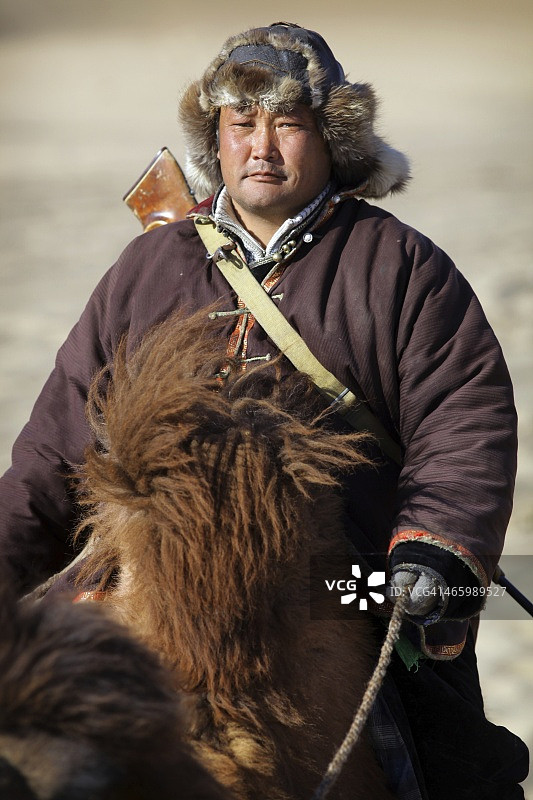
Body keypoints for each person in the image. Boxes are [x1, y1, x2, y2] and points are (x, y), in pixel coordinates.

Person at [0, 21, 528, 799]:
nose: (261, 147)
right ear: (216, 138)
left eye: (287, 124)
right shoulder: (148, 267)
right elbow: (52, 453)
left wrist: (438, 548)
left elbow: (464, 421)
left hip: (339, 570)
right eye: (241, 125)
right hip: (144, 567)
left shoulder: (400, 267)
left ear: (330, 140)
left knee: (448, 759)